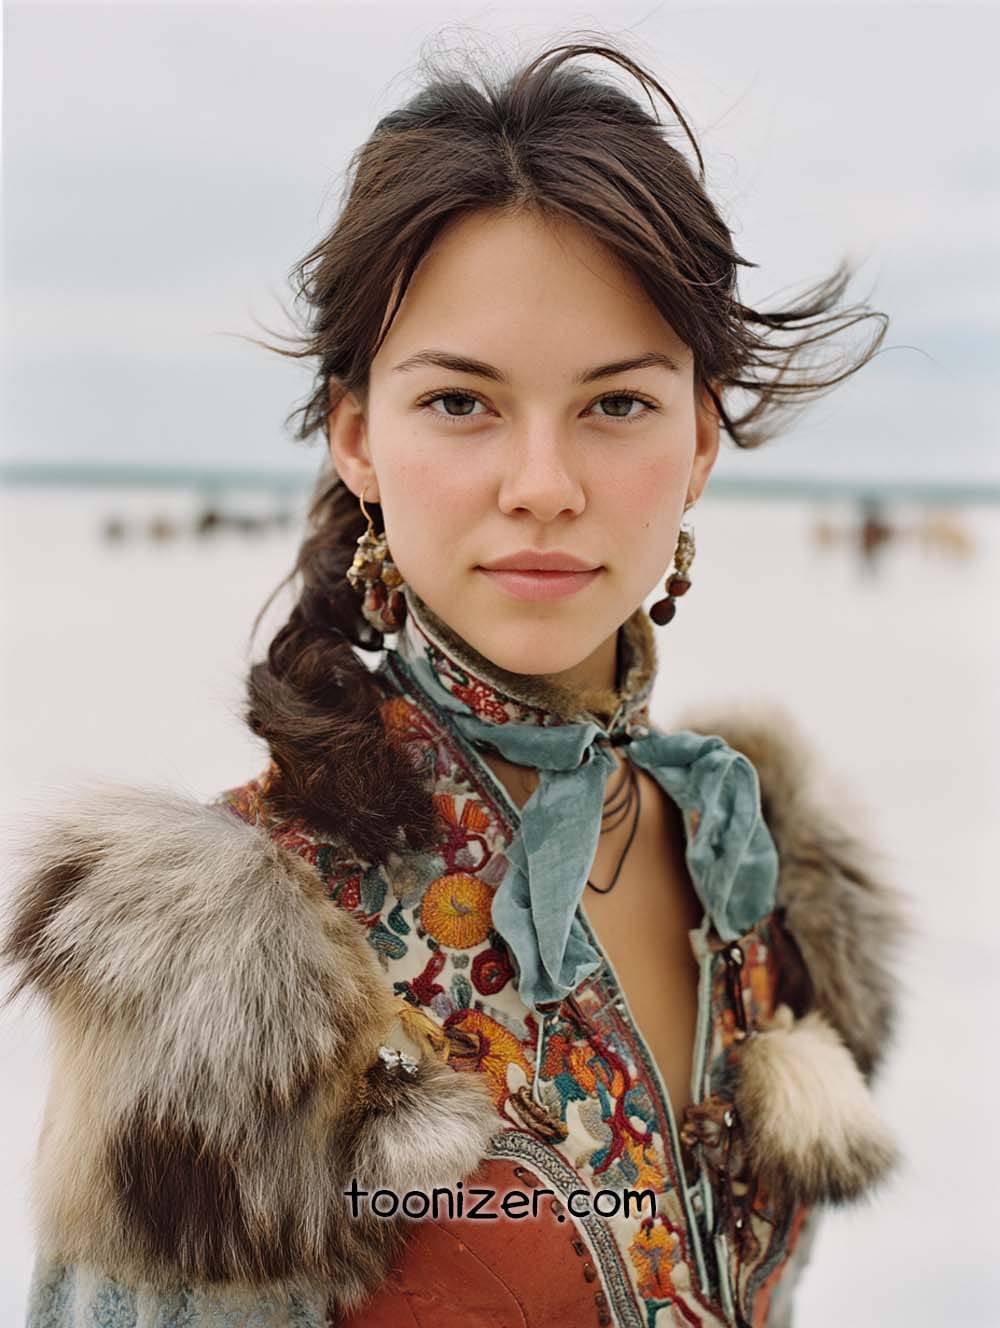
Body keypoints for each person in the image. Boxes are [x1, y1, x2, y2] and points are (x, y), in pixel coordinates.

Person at [2, 37, 909, 1328]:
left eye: (614, 405)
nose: (542, 481)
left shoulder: (759, 881)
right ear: (358, 433)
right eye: (463, 404)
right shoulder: (224, 979)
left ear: (701, 437)